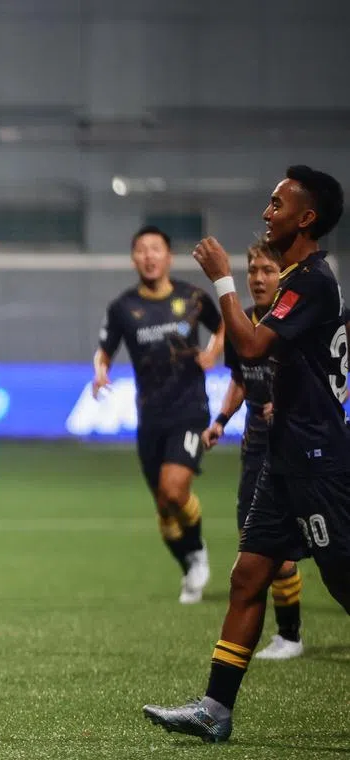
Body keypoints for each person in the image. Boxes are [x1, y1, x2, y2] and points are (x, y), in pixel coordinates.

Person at [145, 165, 350, 742]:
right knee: (247, 575)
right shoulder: (293, 278)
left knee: (344, 582)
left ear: (306, 218)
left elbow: (255, 340)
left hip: (316, 461)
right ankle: (215, 709)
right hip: (285, 457)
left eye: (277, 203)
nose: (267, 211)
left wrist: (223, 282)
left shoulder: (312, 279)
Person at [93, 225, 225, 603]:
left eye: (156, 249)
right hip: (150, 416)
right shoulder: (123, 308)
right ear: (133, 258)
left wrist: (213, 352)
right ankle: (188, 565)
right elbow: (105, 349)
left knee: (174, 489)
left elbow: (224, 329)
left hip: (190, 410)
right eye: (141, 250)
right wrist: (100, 372)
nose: (149, 256)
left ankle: (197, 552)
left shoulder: (194, 297)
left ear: (168, 256)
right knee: (164, 508)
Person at [202, 242, 303, 661]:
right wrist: (220, 421)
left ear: (284, 275)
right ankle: (288, 637)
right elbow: (242, 379)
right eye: (252, 271)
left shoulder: (298, 320)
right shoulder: (242, 322)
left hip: (297, 447)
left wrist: (290, 404)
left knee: (283, 550)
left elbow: (333, 372)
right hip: (256, 447)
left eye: (268, 270)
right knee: (257, 548)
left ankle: (289, 636)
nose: (259, 279)